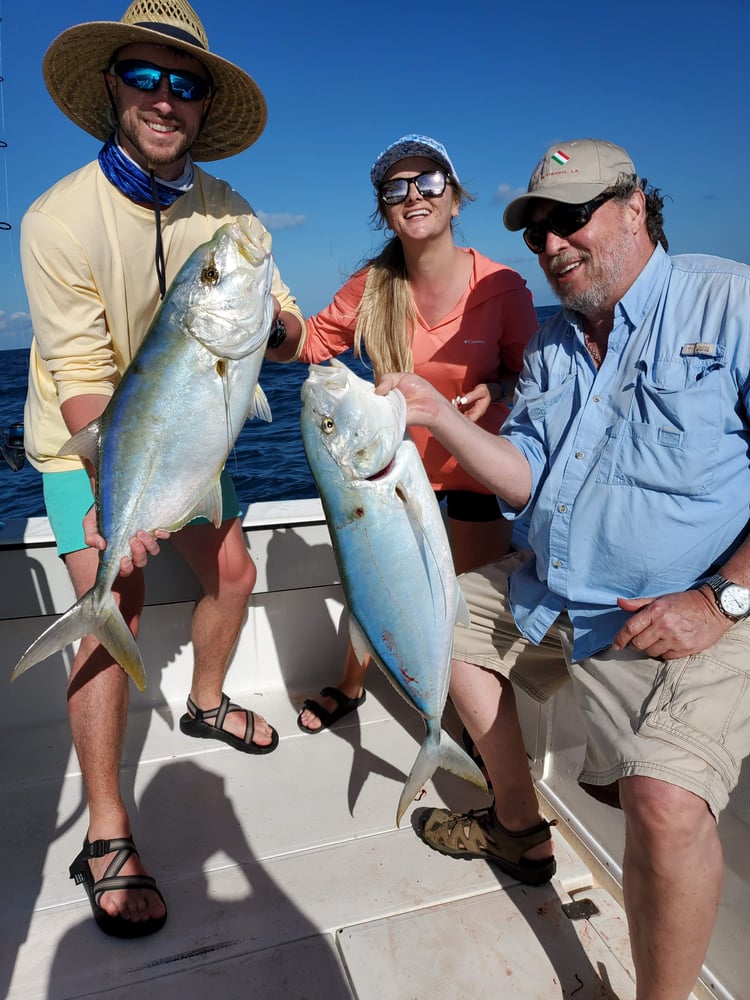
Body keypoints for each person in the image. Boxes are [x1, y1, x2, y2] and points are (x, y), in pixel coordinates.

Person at [376, 138, 750, 1000]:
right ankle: (517, 825)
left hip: (698, 610)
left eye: (569, 220)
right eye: (537, 229)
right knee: (433, 622)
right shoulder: (551, 343)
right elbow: (525, 475)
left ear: (635, 209)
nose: (550, 245)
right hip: (552, 589)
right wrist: (435, 415)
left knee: (662, 803)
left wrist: (722, 597)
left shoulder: (728, 303)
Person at [20, 0, 304, 938]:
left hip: (197, 433)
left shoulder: (230, 213)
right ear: (112, 87)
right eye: (145, 77)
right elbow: (83, 377)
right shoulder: (57, 220)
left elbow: (285, 321)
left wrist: (291, 331)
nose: (164, 98)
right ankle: (107, 831)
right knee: (117, 607)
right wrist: (116, 507)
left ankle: (209, 703)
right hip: (88, 443)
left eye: (185, 84)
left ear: (203, 103)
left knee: (232, 570)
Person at [268, 134, 537, 734]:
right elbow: (311, 344)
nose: (414, 194)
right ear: (386, 210)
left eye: (429, 182)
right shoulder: (372, 286)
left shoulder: (503, 289)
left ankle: (464, 719)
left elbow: (535, 380)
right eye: (396, 188)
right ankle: (352, 683)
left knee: (465, 611)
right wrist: (263, 326)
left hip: (474, 474)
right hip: (388, 473)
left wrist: (496, 390)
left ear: (456, 199)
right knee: (377, 588)